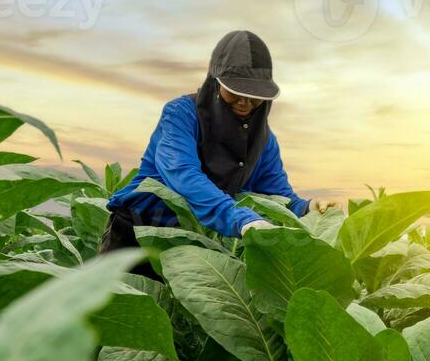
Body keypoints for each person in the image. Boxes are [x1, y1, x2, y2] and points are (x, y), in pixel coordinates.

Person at [101, 30, 335, 273]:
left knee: (167, 312)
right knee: (109, 308)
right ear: (215, 82)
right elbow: (184, 175)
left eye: (254, 96)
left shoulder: (264, 139)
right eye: (235, 91)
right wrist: (240, 219)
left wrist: (309, 207)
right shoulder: (180, 114)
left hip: (190, 244)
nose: (245, 102)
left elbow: (276, 194)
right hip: (136, 232)